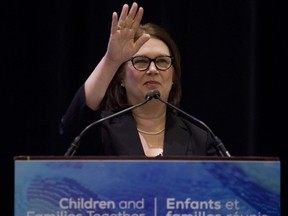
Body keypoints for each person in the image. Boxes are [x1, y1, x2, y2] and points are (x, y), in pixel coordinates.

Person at [59, 2, 219, 157]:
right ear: (121, 78)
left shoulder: (200, 138)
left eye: (162, 61)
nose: (153, 70)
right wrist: (111, 61)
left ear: (173, 77)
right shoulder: (101, 131)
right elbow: (73, 126)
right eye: (141, 61)